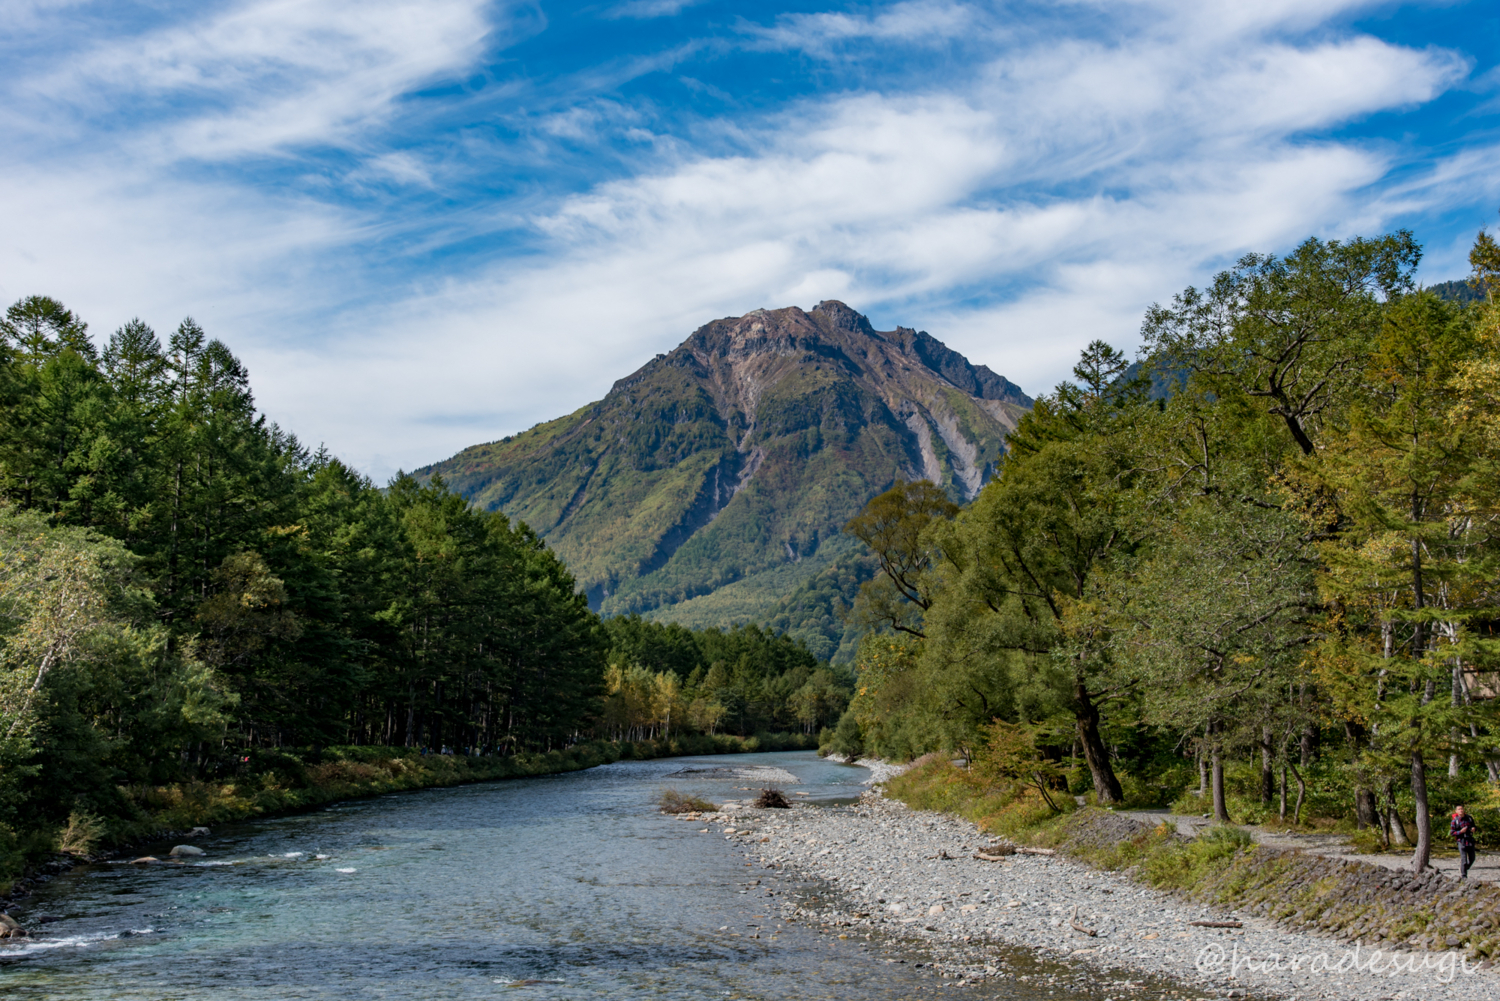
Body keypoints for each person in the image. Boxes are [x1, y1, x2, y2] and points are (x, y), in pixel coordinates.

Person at [1452, 805, 1478, 878]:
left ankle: (1464, 869)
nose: (1461, 810)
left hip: (1470, 840)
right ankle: (1464, 876)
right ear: (1456, 811)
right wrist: (1460, 832)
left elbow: (1474, 826)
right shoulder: (1455, 821)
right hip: (1461, 841)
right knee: (1464, 860)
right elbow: (1452, 832)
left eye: (1462, 809)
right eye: (1459, 809)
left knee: (1472, 858)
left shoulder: (1469, 818)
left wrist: (1474, 829)